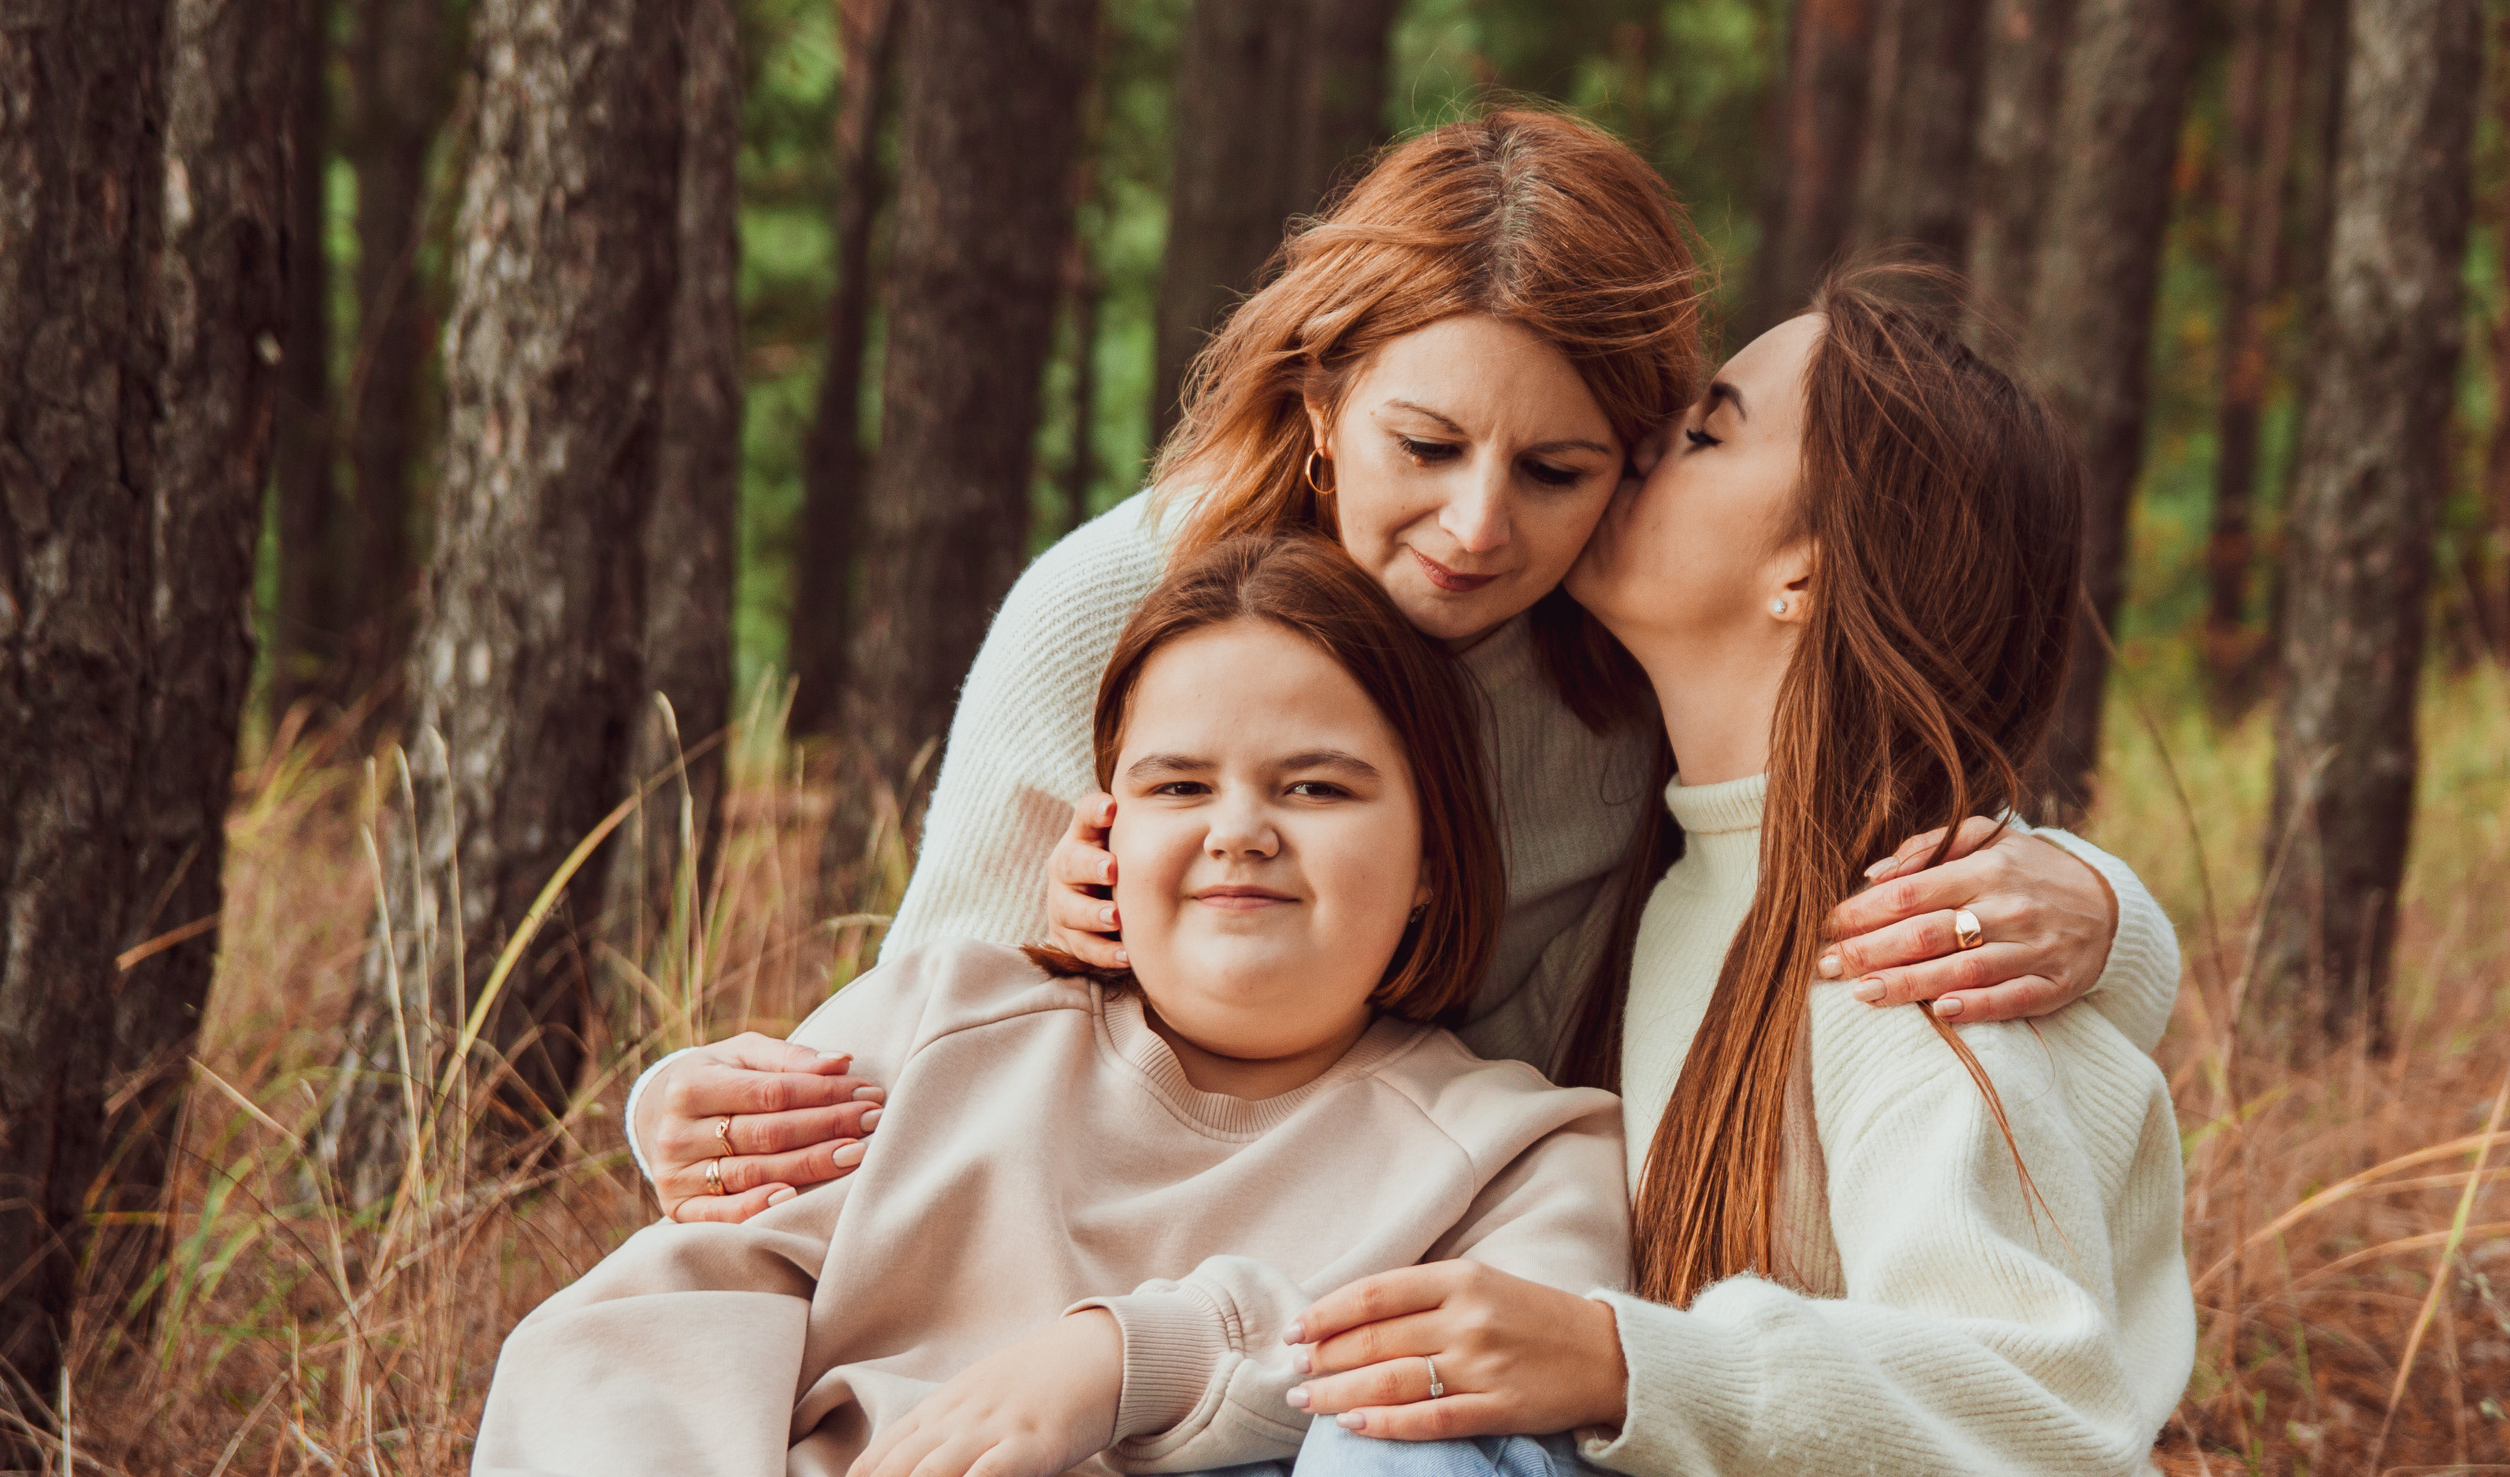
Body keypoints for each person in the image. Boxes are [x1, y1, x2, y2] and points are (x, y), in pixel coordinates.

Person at [980, 273, 2198, 1477]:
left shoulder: (1922, 937)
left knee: (1445, 1458)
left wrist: (1624, 1360)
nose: (1643, 445)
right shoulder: (1671, 866)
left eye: (1708, 432)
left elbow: (2031, 1413)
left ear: (1803, 572)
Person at [626, 110, 2172, 1226]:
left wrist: (2111, 917)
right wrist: (690, 1110)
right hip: (1094, 1222)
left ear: (1636, 462)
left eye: (1558, 469)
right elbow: (924, 1015)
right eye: (1424, 445)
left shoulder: (1621, 653)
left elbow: (1841, 830)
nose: (1479, 527)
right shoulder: (1115, 606)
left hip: (1440, 1244)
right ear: (1321, 401)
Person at [475, 534, 1634, 1477]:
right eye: (1178, 786)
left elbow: (1491, 1411)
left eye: (1317, 786)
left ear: (1432, 852)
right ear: (1104, 831)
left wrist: (1134, 1356)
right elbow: (684, 1309)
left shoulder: (1513, 1153)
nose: (1239, 829)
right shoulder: (951, 1023)